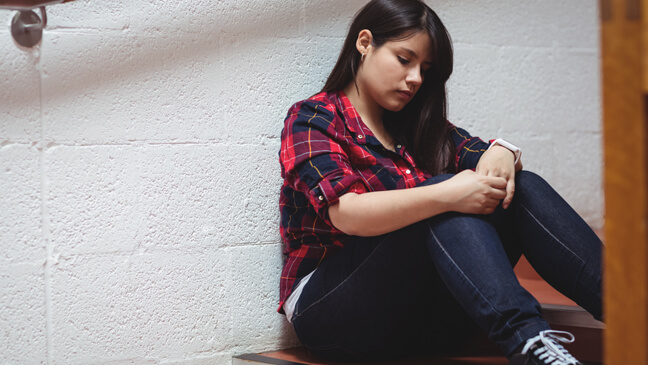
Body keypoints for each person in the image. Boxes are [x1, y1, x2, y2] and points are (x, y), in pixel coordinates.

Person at [278, 1, 603, 364]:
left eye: (425, 69)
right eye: (405, 59)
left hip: (421, 316)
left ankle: (629, 307)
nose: (416, 78)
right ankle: (530, 343)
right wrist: (446, 192)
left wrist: (503, 152)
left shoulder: (417, 128)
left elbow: (482, 155)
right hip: (334, 315)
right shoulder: (313, 119)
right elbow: (347, 213)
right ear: (365, 43)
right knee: (440, 200)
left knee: (523, 187)